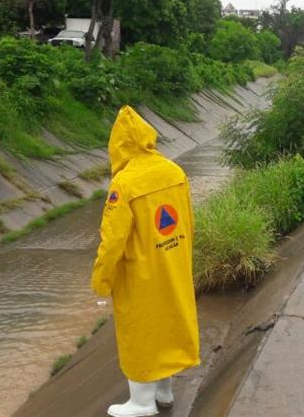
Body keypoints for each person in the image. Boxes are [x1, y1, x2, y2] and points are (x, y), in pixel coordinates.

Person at [91, 106, 200, 417]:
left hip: (140, 274)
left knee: (140, 331)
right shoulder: (174, 171)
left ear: (118, 145)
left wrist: (102, 278)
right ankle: (164, 392)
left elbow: (113, 240)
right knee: (167, 324)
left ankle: (141, 402)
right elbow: (188, 224)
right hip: (173, 264)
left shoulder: (124, 185)